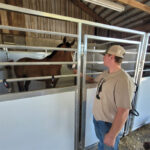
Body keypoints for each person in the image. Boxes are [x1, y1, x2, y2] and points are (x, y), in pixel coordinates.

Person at [92, 45, 135, 150]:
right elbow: (93, 81)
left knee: (108, 147)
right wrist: (80, 75)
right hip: (98, 119)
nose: (103, 57)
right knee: (101, 144)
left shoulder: (123, 80)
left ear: (111, 57)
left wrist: (112, 135)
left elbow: (124, 111)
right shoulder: (106, 73)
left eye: (105, 55)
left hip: (109, 124)